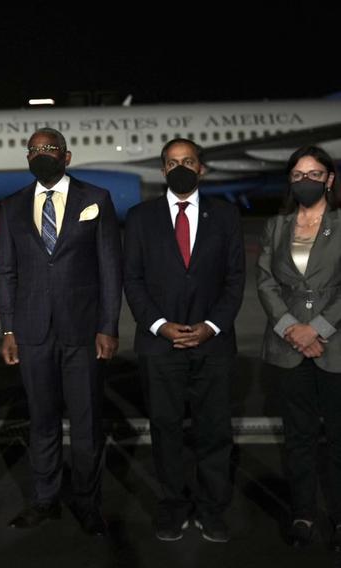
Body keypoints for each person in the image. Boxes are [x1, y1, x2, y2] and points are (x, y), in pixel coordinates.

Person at [0, 128, 122, 536]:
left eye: (49, 149)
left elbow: (109, 267)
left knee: (86, 423)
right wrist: (8, 327)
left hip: (83, 331)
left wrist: (108, 325)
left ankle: (88, 503)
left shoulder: (96, 199)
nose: (41, 155)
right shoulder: (12, 206)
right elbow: (7, 272)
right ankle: (44, 500)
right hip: (32, 332)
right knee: (42, 420)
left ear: (67, 156)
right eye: (34, 150)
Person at [123, 138, 244, 543]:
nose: (180, 168)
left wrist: (212, 325)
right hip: (160, 345)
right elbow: (133, 280)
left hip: (213, 345)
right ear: (162, 171)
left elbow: (234, 280)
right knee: (166, 431)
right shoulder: (140, 218)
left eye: (188, 161)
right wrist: (159, 325)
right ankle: (173, 507)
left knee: (214, 432)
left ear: (202, 168)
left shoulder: (225, 216)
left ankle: (212, 510)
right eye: (173, 162)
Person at [257, 145, 341, 548]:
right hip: (288, 348)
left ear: (330, 179)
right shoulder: (277, 226)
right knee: (298, 438)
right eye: (297, 175)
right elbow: (265, 282)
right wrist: (292, 328)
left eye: (314, 173)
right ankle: (304, 514)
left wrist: (318, 328)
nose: (305, 181)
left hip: (334, 346)